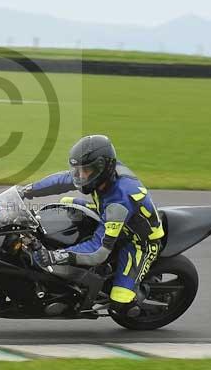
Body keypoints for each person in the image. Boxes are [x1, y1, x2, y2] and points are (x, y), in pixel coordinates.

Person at [18, 134, 164, 314]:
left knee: (120, 303)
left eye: (85, 170)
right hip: (106, 213)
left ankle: (132, 295)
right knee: (65, 203)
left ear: (102, 167)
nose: (79, 176)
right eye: (77, 170)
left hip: (137, 241)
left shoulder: (119, 200)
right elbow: (61, 180)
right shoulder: (102, 174)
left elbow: (98, 252)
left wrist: (55, 257)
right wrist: (25, 191)